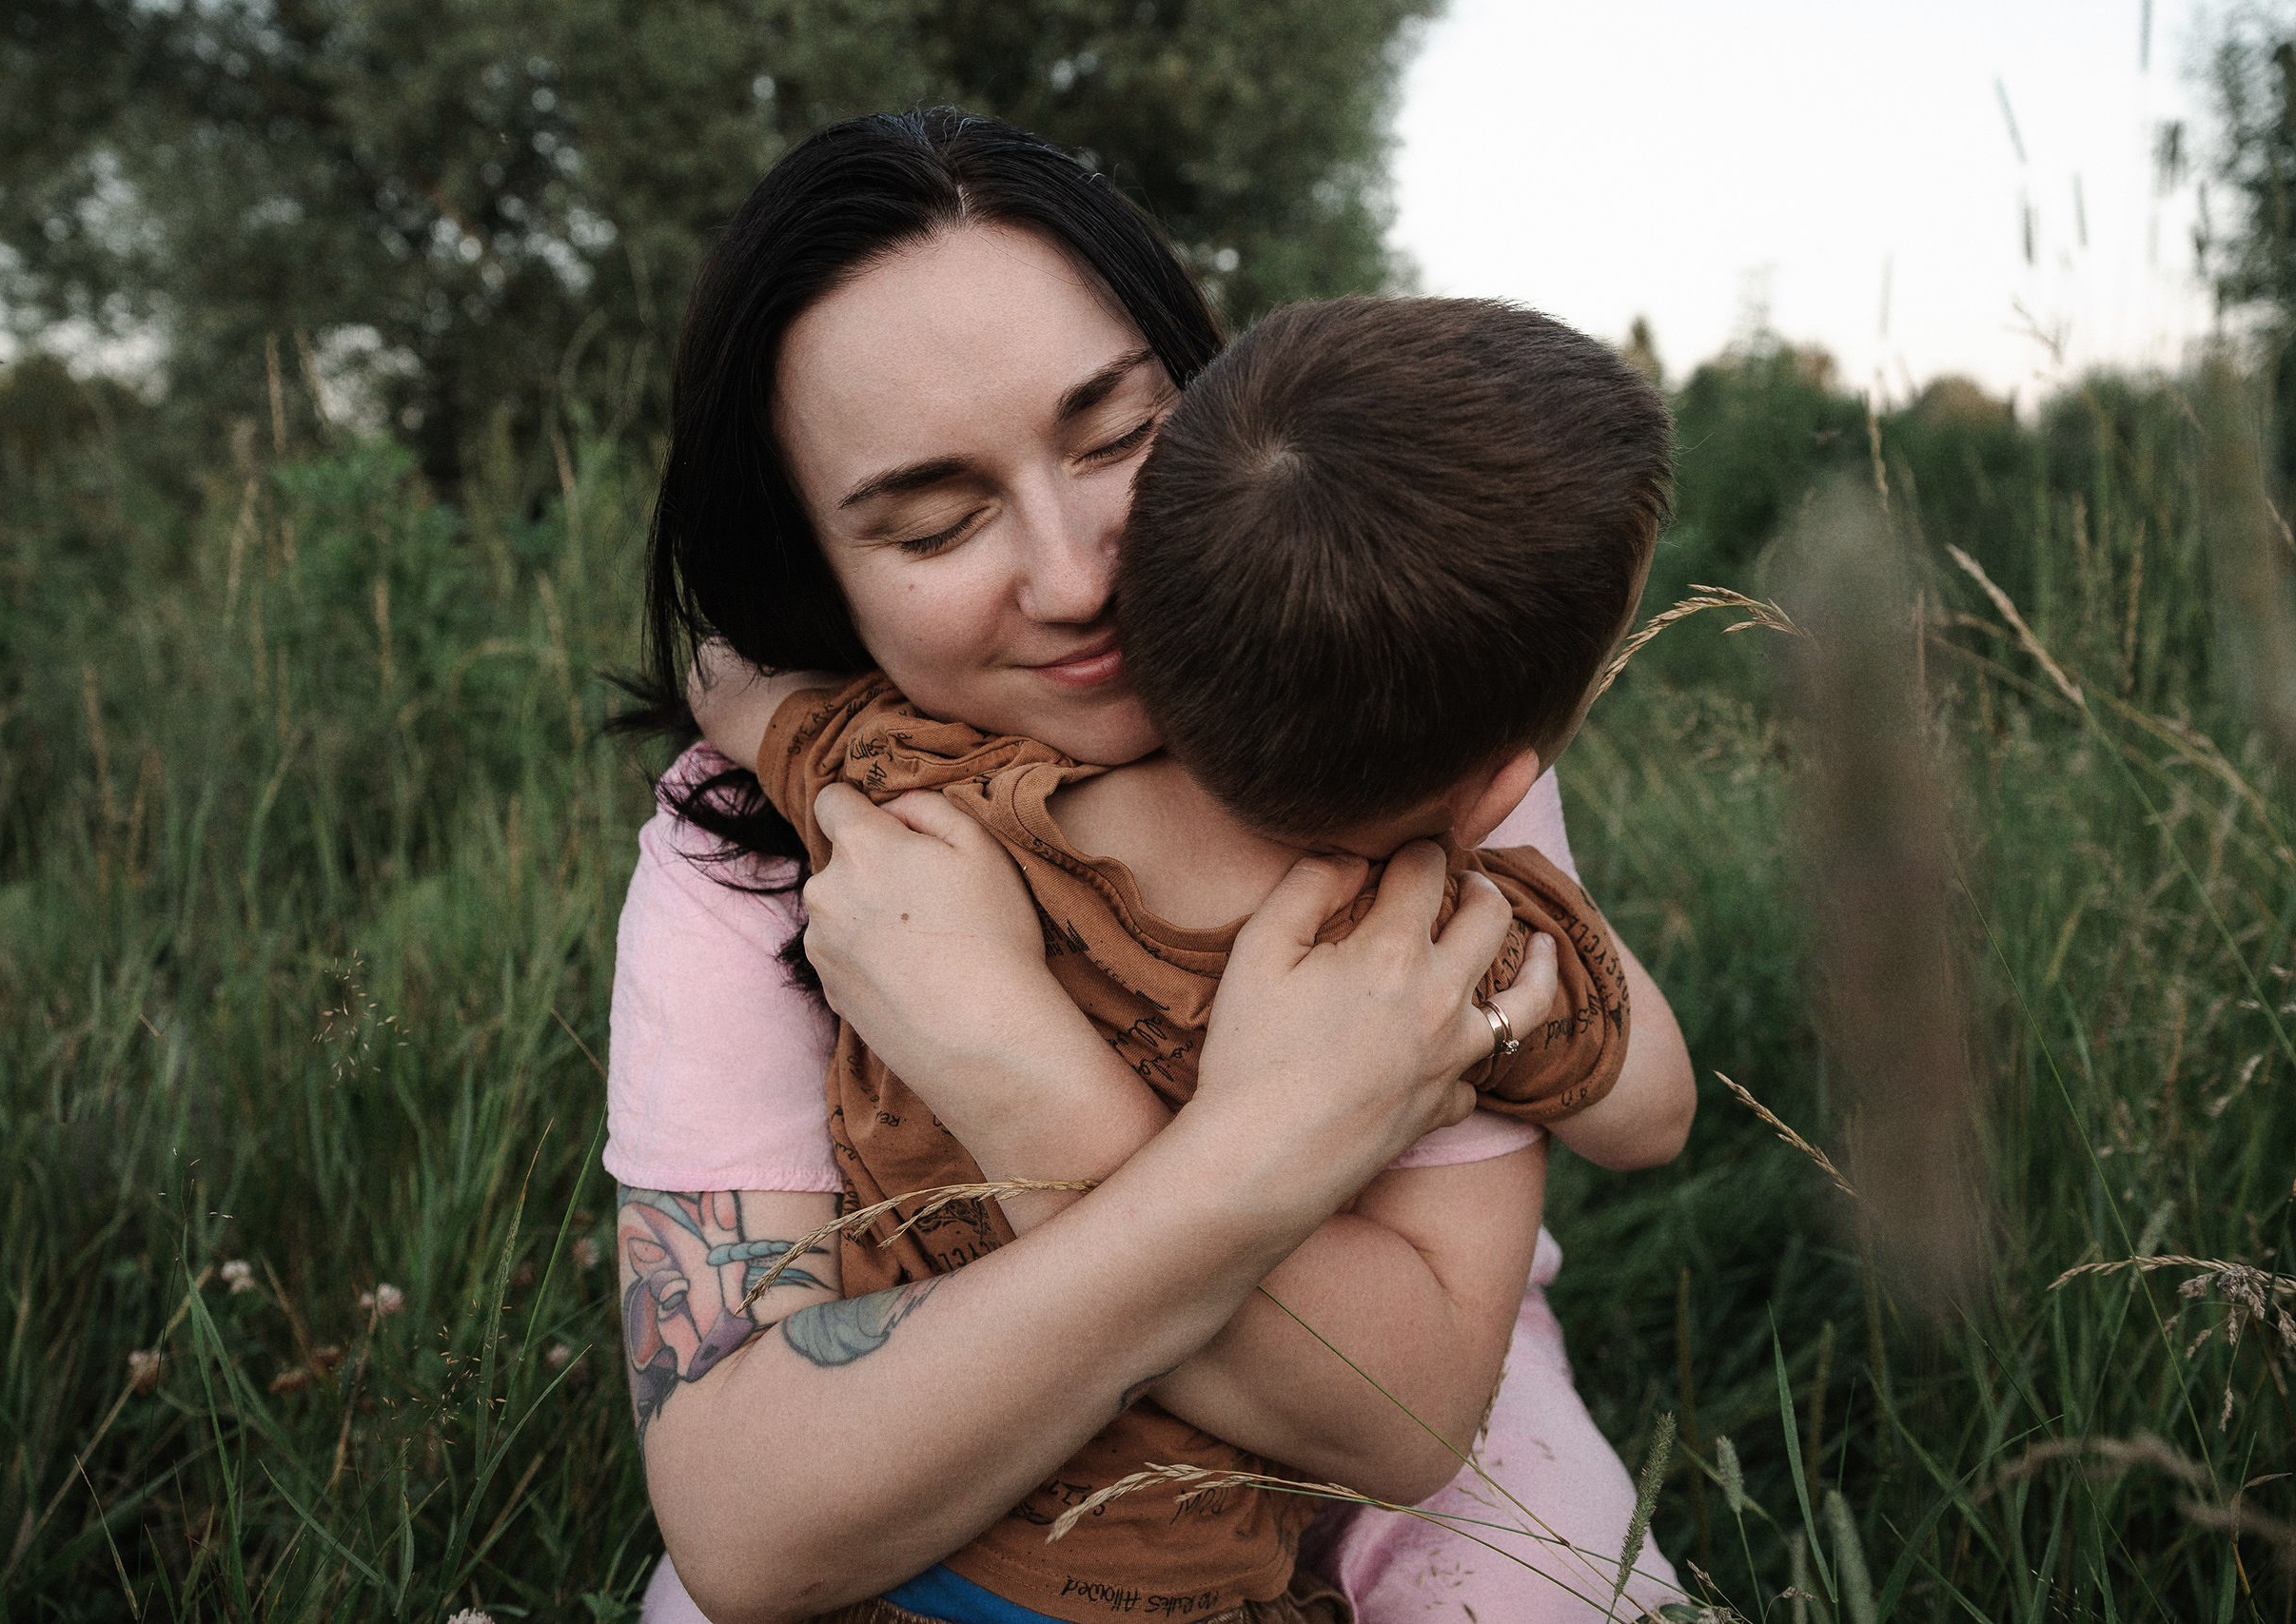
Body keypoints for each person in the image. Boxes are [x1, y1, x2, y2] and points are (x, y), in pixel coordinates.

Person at [608, 109, 1695, 1624]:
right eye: (933, 523)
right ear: (818, 571)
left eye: (1119, 437)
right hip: (980, 1441)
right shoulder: (757, 845)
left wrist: (1006, 1066)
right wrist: (1262, 1143)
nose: (1074, 580)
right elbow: (744, 1529)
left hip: (1388, 1412)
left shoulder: (1397, 719)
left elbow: (1406, 1419)